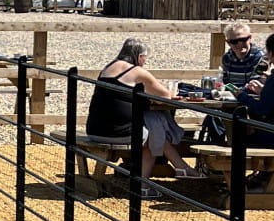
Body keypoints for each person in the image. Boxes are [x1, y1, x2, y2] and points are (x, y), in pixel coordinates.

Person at [84, 37, 200, 180]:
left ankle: (181, 167)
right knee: (155, 135)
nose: (145, 61)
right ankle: (143, 184)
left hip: (94, 129)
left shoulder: (108, 68)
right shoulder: (138, 71)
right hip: (117, 133)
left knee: (153, 125)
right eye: (145, 58)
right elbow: (165, 96)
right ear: (139, 57)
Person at [219, 20, 266, 91]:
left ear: (250, 38)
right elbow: (226, 83)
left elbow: (254, 86)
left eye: (243, 40)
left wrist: (233, 91)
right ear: (228, 43)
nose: (239, 44)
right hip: (232, 96)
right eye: (234, 42)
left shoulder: (261, 58)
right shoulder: (227, 58)